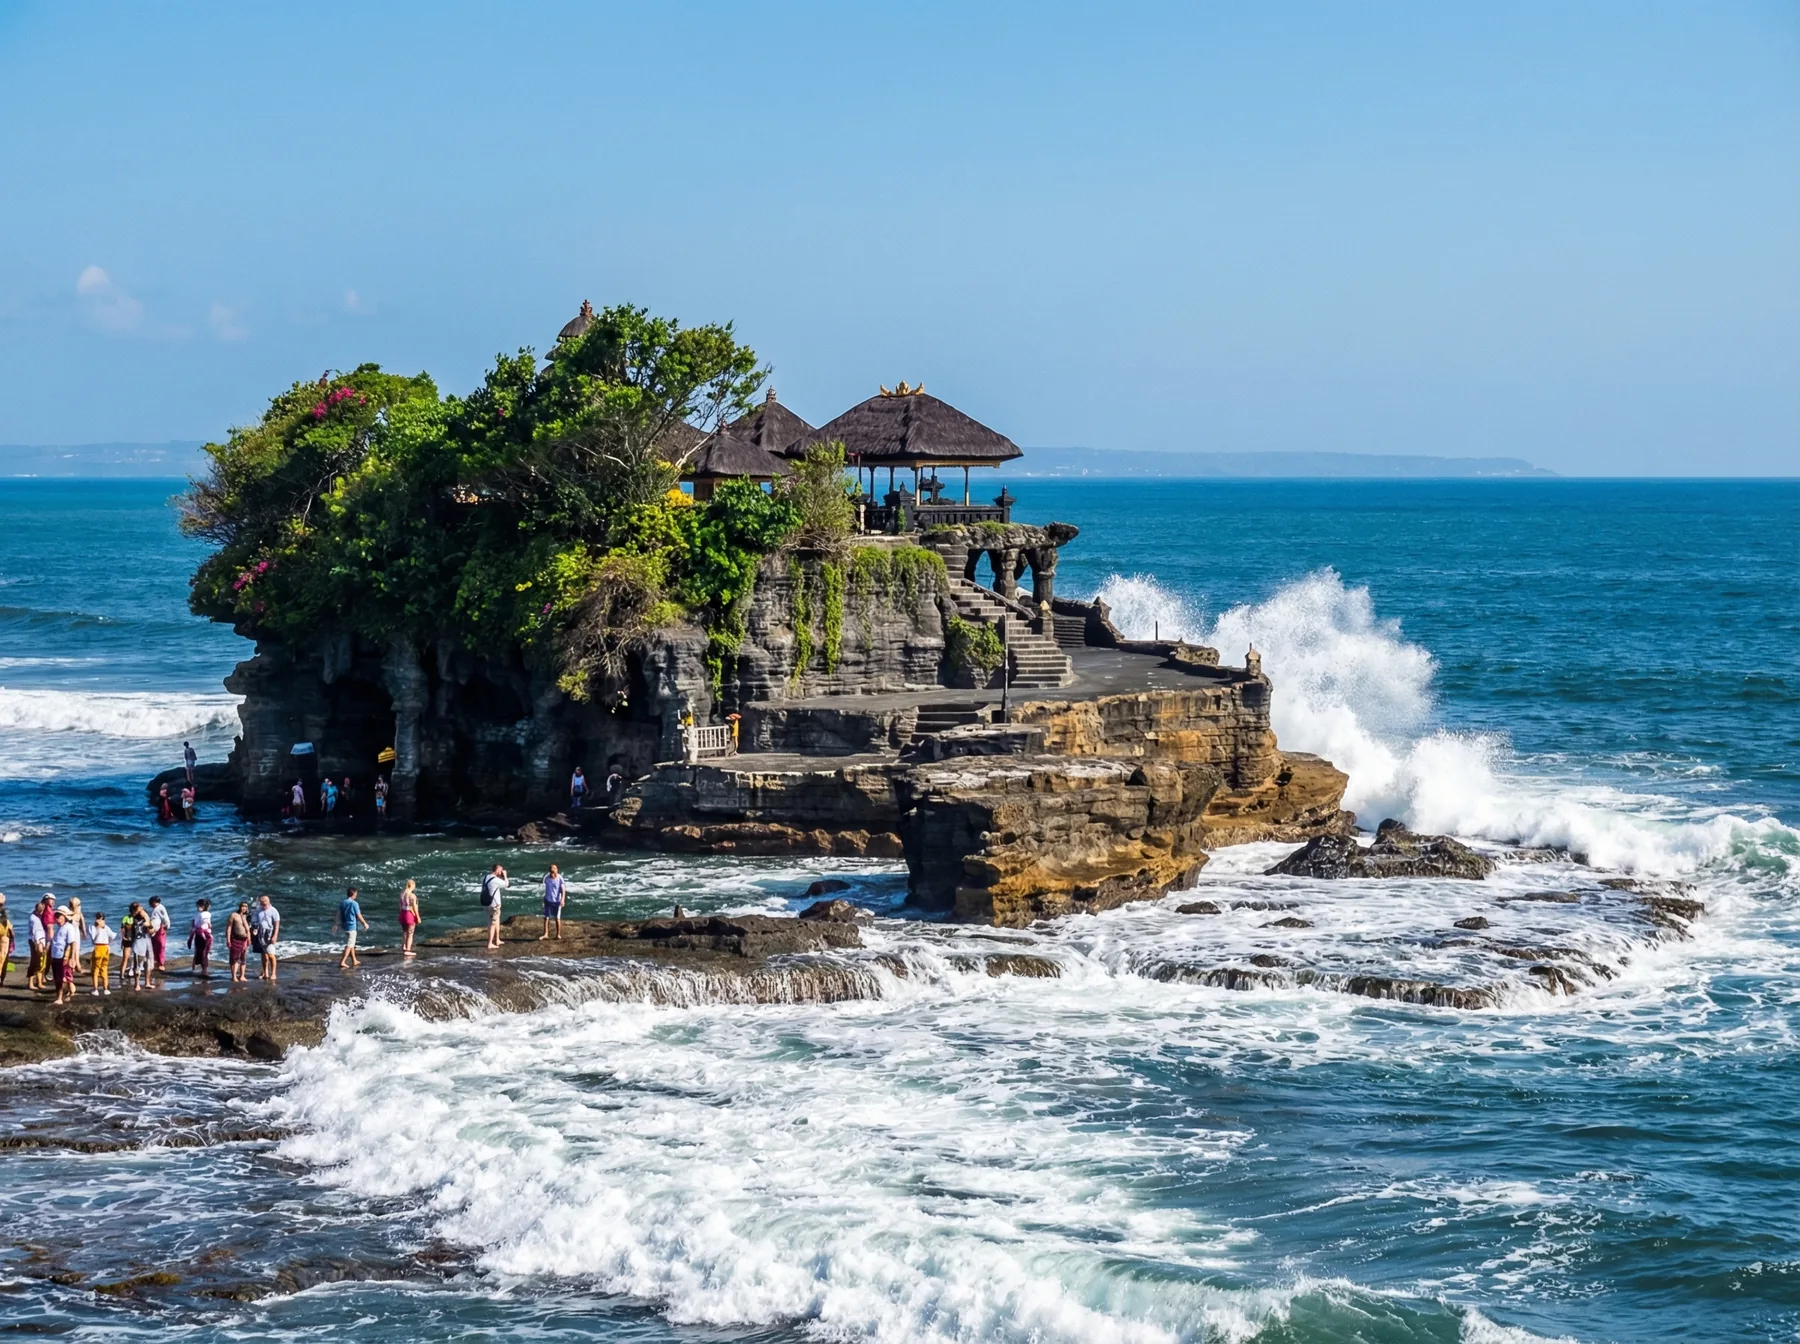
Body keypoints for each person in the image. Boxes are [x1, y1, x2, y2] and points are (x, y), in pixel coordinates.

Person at [50, 910, 80, 1005]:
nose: (56, 918)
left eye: (58, 916)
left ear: (64, 916)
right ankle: (62, 995)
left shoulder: (68, 927)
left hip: (63, 956)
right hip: (56, 956)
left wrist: (72, 957)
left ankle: (60, 997)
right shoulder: (60, 928)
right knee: (58, 978)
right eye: (56, 916)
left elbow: (72, 943)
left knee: (62, 977)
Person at [336, 885, 369, 970]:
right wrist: (364, 923)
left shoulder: (343, 902)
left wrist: (335, 924)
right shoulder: (354, 903)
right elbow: (359, 915)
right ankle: (343, 961)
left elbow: (338, 914)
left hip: (345, 926)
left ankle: (354, 960)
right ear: (354, 894)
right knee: (350, 945)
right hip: (352, 927)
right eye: (356, 893)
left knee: (352, 944)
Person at [250, 895, 281, 981]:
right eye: (261, 903)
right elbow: (254, 921)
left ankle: (273, 973)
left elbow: (277, 924)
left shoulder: (273, 911)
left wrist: (275, 936)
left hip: (269, 933)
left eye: (265, 903)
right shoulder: (258, 910)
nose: (263, 905)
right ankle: (265, 972)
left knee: (271, 954)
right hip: (260, 933)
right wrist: (254, 929)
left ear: (268, 901)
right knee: (263, 954)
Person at [26, 896, 53, 991]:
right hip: (37, 942)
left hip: (38, 941)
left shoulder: (34, 916)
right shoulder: (35, 920)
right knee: (36, 962)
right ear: (40, 911)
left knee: (40, 962)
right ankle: (32, 983)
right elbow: (36, 933)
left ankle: (39, 981)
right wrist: (39, 945)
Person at [480, 864, 507, 950]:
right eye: (500, 871)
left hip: (486, 903)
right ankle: (490, 943)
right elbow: (506, 884)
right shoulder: (495, 880)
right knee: (492, 923)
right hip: (494, 905)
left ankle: (497, 939)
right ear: (497, 870)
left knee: (496, 920)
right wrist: (505, 875)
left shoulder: (486, 877)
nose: (501, 872)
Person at [226, 901, 252, 983]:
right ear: (239, 906)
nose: (244, 908)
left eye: (246, 906)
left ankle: (242, 976)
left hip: (244, 940)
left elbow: (248, 930)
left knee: (243, 959)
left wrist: (249, 939)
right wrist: (228, 940)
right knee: (234, 959)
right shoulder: (234, 915)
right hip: (235, 939)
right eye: (243, 906)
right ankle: (234, 976)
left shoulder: (247, 917)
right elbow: (229, 928)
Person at [128, 907, 153, 990]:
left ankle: (146, 983)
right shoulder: (137, 922)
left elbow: (150, 928)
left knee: (146, 963)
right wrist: (143, 913)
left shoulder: (137, 922)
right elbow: (149, 925)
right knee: (138, 965)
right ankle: (138, 984)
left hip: (145, 943)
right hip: (139, 944)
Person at [189, 898, 215, 977]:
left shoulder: (200, 914)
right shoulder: (208, 914)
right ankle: (204, 970)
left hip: (200, 934)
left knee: (200, 951)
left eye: (198, 906)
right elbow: (209, 924)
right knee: (205, 952)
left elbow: (196, 924)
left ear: (202, 906)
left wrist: (192, 933)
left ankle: (202, 970)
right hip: (207, 934)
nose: (197, 908)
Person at [540, 864, 567, 940]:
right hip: (548, 899)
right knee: (546, 917)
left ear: (556, 870)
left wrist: (562, 899)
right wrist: (543, 899)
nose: (552, 872)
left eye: (554, 870)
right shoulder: (546, 878)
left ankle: (558, 934)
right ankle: (546, 934)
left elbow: (563, 889)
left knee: (557, 918)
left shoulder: (560, 878)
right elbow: (543, 888)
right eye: (551, 870)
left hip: (556, 901)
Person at [146, 895, 171, 974]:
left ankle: (161, 964)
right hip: (156, 929)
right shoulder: (157, 909)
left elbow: (165, 918)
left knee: (160, 946)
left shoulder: (160, 908)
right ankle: (157, 962)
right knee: (155, 946)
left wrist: (166, 925)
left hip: (159, 929)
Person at [90, 913, 112, 994]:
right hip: (106, 947)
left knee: (96, 969)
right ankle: (105, 989)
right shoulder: (107, 927)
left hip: (98, 947)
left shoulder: (93, 927)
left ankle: (96, 989)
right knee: (104, 968)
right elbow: (112, 936)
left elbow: (93, 938)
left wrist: (97, 927)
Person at [397, 878, 420, 957]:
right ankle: (408, 950)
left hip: (402, 913)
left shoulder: (402, 893)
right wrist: (418, 917)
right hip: (409, 915)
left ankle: (404, 946)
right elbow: (414, 908)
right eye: (414, 886)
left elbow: (400, 905)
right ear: (412, 885)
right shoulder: (412, 895)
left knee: (404, 931)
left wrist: (400, 914)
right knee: (410, 933)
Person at [0, 894, 13, 987]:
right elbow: (9, 926)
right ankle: (1, 979)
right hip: (4, 937)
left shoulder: (4, 913)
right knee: (2, 959)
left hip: (4, 936)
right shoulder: (4, 912)